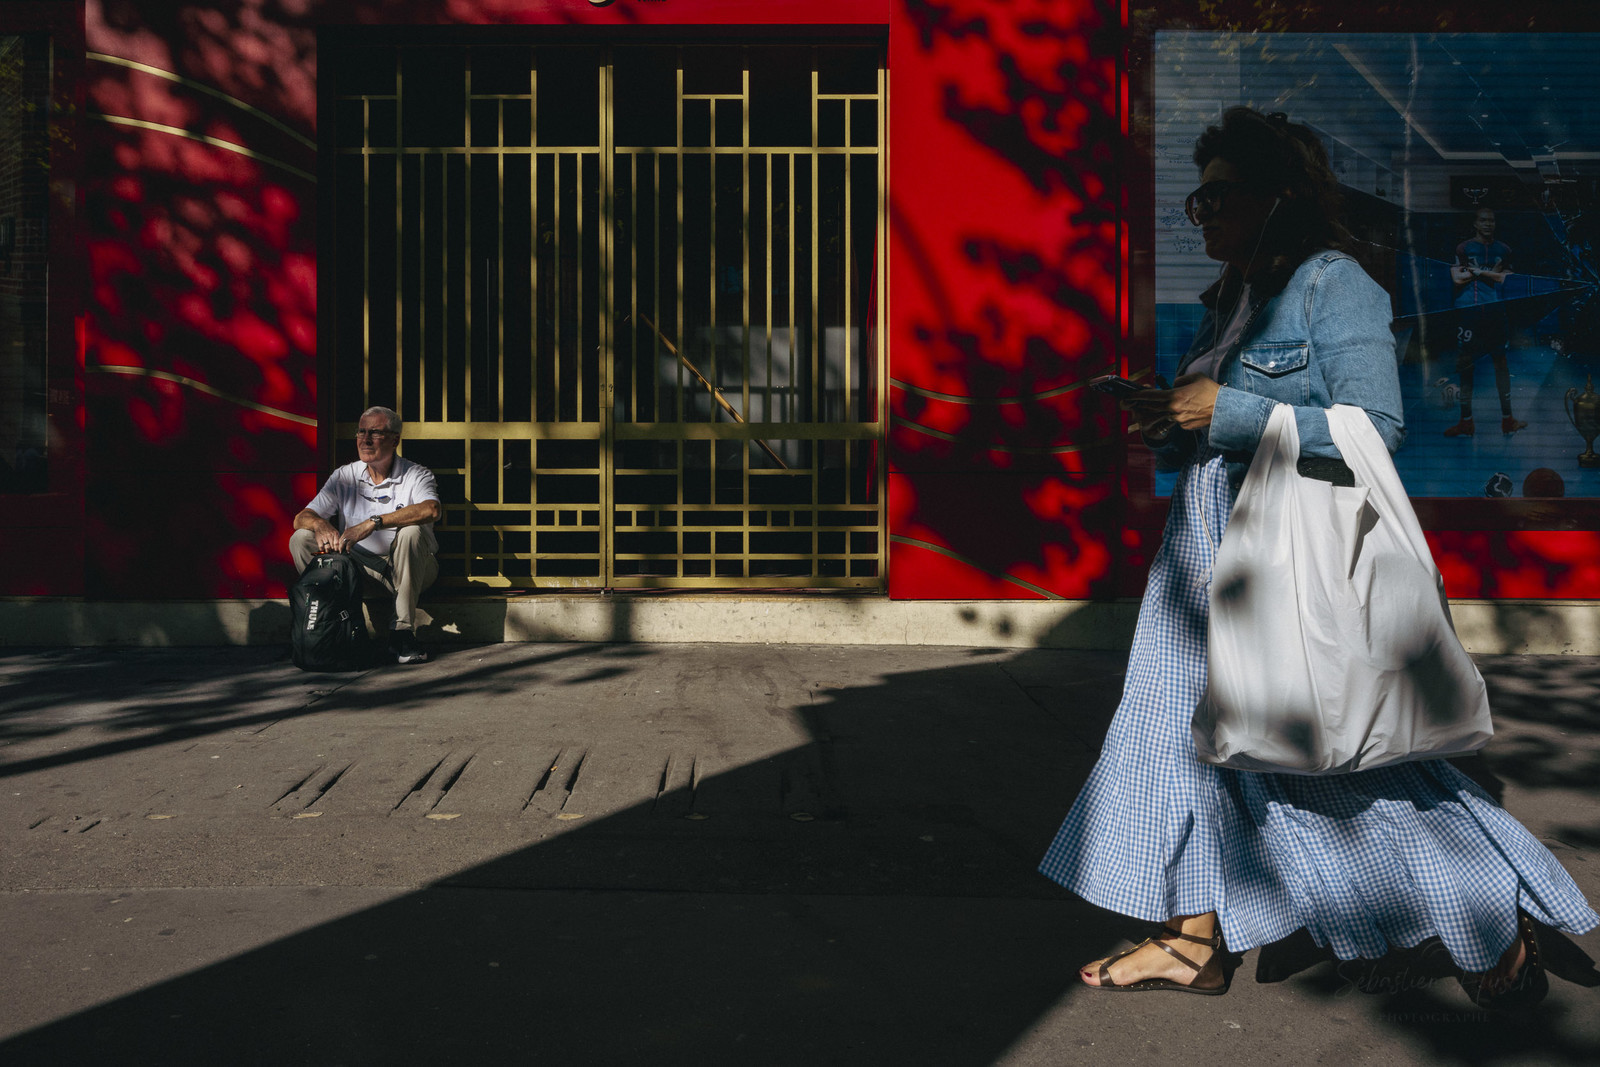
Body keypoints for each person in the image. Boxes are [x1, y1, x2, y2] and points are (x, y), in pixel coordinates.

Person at [1039, 107, 1596, 1002]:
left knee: (1308, 762)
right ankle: (1194, 940)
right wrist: (1170, 417)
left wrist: (1223, 411)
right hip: (1205, 545)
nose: (1201, 214)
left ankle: (1491, 923)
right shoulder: (1231, 298)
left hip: (1282, 551)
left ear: (1278, 197)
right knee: (1171, 735)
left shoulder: (1336, 285)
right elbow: (1211, 425)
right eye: (1194, 199)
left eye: (1217, 195)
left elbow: (1374, 426)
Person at [290, 405, 441, 664]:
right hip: (359, 571)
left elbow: (432, 509)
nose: (365, 439)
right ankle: (338, 619)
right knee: (301, 538)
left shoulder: (416, 473)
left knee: (412, 532)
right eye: (361, 432)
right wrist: (319, 524)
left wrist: (374, 522)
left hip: (410, 569)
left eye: (375, 432)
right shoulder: (345, 475)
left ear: (395, 440)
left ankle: (402, 633)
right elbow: (300, 518)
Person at [1443, 208, 1527, 437]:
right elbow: (1456, 278)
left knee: (1501, 363)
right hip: (1467, 311)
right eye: (1483, 220)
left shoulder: (1504, 250)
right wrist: (1486, 273)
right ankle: (1466, 422)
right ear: (1475, 224)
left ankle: (1507, 420)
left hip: (1494, 313)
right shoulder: (1464, 248)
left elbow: (1505, 279)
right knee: (1466, 365)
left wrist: (1477, 271)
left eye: (1491, 220)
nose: (1488, 224)